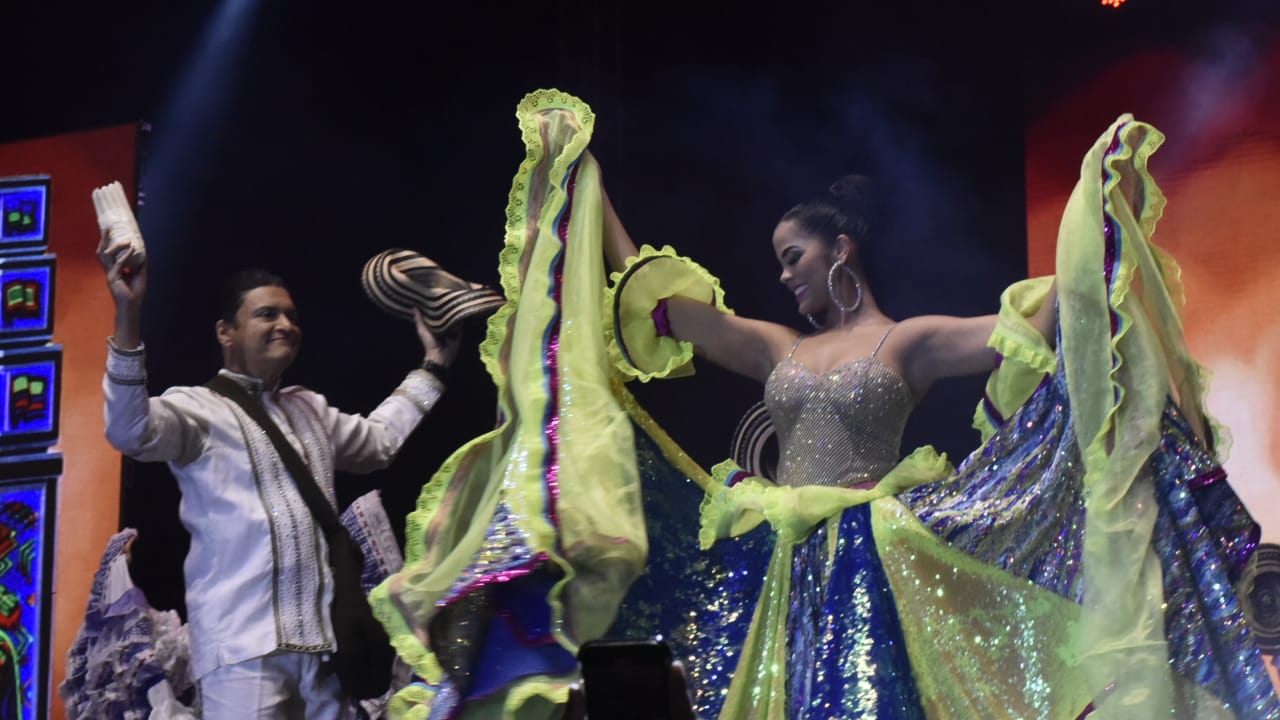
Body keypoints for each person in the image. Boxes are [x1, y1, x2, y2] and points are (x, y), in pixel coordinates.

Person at [599, 114, 1280, 719]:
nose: (783, 277)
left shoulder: (908, 342)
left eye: (792, 257)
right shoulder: (777, 346)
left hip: (870, 557)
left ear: (840, 249)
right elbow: (670, 309)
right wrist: (590, 191)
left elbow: (1034, 325)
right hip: (775, 561)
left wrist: (1095, 207)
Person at [97, 227, 460, 719]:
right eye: (267, 314)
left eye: (290, 314)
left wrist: (434, 365)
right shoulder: (197, 409)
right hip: (241, 649)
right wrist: (128, 311)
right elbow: (128, 428)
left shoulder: (308, 409)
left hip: (326, 648)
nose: (285, 323)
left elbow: (379, 442)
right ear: (226, 332)